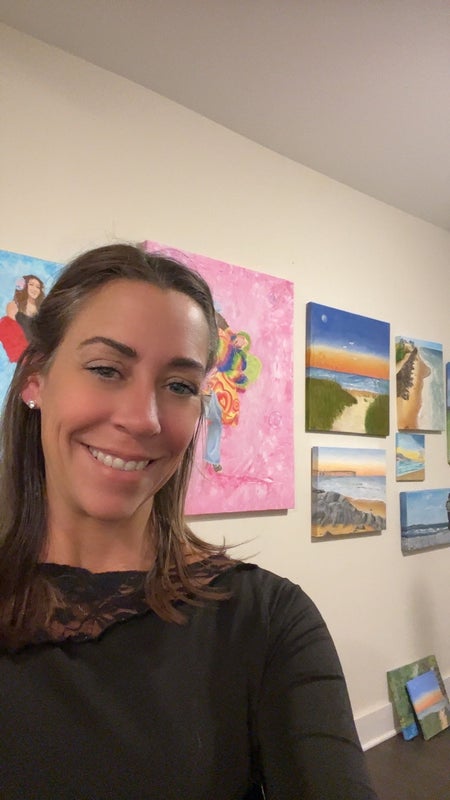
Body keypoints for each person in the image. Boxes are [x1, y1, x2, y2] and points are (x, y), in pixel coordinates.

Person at [0, 243, 378, 799]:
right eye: (106, 369)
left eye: (179, 386)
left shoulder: (268, 622)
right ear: (36, 378)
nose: (143, 419)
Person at [0, 273, 45, 362]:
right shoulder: (14, 307)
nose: (35, 289)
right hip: (24, 357)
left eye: (38, 287)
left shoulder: (42, 311)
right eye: (31, 285)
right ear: (24, 286)